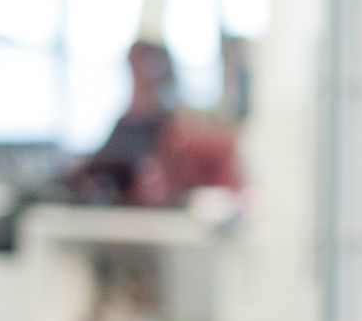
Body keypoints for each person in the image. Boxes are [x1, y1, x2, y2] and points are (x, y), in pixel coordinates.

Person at [65, 39, 241, 207]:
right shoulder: (125, 124)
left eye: (141, 65)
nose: (136, 75)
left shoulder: (174, 130)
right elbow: (97, 169)